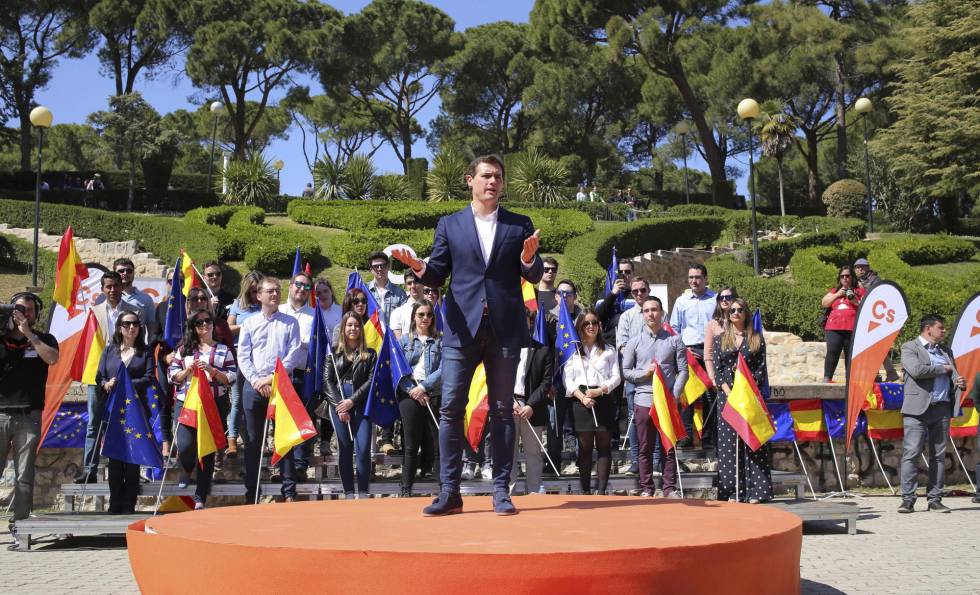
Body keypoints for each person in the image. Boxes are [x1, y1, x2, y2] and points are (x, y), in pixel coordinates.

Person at [392, 153, 543, 516]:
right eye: (487, 176)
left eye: (498, 177)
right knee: (450, 409)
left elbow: (535, 274)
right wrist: (418, 265)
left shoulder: (519, 224)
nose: (493, 182)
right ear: (470, 180)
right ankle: (450, 492)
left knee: (504, 411)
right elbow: (437, 271)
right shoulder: (450, 224)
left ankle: (502, 493)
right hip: (462, 327)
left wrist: (527, 259)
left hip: (505, 328)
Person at [237, 277, 303, 504]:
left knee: (284, 439)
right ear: (258, 295)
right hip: (254, 388)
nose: (274, 294)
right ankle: (252, 493)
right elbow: (243, 356)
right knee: (253, 442)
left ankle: (289, 492)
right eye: (270, 291)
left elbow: (292, 356)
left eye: (277, 291)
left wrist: (270, 379)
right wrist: (257, 381)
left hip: (281, 386)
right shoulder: (249, 323)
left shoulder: (290, 323)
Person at [1, 293, 59, 550]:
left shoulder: (43, 339)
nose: (25, 314)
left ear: (36, 314)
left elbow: (52, 358)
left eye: (30, 310)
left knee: (24, 475)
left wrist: (28, 335)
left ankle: (21, 528)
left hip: (29, 415)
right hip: (1, 414)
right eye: (20, 309)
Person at [168, 309, 236, 508]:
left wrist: (213, 371)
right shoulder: (184, 349)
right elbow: (172, 374)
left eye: (207, 321)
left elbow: (231, 377)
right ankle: (186, 467)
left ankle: (200, 496)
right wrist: (186, 371)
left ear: (213, 325)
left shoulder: (224, 350)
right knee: (185, 444)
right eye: (199, 323)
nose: (204, 325)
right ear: (194, 328)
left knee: (207, 449)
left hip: (214, 404)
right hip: (187, 402)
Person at [898, 314, 965, 514]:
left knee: (938, 456)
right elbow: (917, 370)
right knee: (911, 453)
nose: (943, 331)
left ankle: (935, 499)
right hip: (916, 409)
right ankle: (908, 500)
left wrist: (959, 383)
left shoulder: (946, 351)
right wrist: (942, 368)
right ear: (928, 329)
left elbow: (951, 375)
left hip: (942, 408)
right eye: (941, 328)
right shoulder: (909, 347)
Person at [622, 296, 687, 497]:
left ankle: (669, 488)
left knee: (669, 446)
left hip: (667, 402)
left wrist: (674, 395)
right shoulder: (633, 343)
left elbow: (683, 371)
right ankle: (647, 488)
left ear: (662, 313)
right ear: (642, 315)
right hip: (643, 401)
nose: (651, 313)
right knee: (644, 447)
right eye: (647, 310)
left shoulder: (675, 340)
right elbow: (626, 371)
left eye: (654, 309)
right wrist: (644, 374)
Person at [77, 272, 139, 483]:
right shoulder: (94, 312)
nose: (112, 290)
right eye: (108, 286)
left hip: (125, 373)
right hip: (99, 375)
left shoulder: (132, 313)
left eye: (116, 286)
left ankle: (130, 471)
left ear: (122, 286)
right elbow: (88, 345)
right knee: (94, 423)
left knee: (128, 422)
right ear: (102, 289)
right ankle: (89, 470)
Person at [713, 298, 772, 503]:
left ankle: (757, 491)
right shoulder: (720, 339)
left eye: (739, 310)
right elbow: (718, 369)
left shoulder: (756, 338)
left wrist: (746, 387)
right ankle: (732, 492)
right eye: (732, 311)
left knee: (753, 442)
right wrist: (728, 390)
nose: (735, 313)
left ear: (746, 313)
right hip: (727, 397)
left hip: (749, 396)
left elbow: (760, 369)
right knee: (729, 445)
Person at [95, 311, 154, 514]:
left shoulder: (145, 352)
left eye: (136, 324)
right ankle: (115, 502)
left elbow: (148, 378)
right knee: (115, 457)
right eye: (127, 324)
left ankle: (129, 503)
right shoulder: (110, 350)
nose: (132, 327)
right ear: (120, 327)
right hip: (113, 411)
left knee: (132, 458)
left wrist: (125, 383)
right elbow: (99, 377)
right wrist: (106, 384)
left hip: (135, 411)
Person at [562, 309, 621, 495]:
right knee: (585, 448)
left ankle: (602, 491)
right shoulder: (573, 350)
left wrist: (600, 390)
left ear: (599, 326)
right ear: (580, 326)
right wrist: (582, 397)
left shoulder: (609, 349)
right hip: (581, 400)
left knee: (604, 446)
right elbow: (567, 379)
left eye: (594, 322)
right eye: (586, 323)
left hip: (603, 398)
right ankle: (586, 491)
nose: (591, 326)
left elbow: (616, 377)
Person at [322, 311, 377, 498]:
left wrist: (352, 401)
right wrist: (340, 405)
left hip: (360, 403)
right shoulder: (333, 352)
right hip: (338, 403)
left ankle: (362, 490)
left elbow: (371, 381)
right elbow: (327, 381)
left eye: (356, 325)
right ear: (343, 328)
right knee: (345, 448)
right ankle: (348, 491)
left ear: (361, 329)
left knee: (363, 449)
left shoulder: (370, 354)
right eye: (349, 325)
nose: (353, 328)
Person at [397, 301, 442, 497]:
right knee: (411, 443)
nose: (425, 318)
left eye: (429, 315)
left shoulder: (440, 340)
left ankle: (444, 487)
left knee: (438, 441)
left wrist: (424, 387)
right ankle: (406, 487)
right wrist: (414, 390)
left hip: (433, 393)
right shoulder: (404, 342)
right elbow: (398, 371)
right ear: (414, 317)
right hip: (409, 394)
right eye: (421, 314)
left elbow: (444, 368)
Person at [670, 264, 718, 446]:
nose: (694, 281)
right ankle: (686, 435)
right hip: (688, 351)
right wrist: (682, 349)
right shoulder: (681, 301)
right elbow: (675, 328)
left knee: (711, 395)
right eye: (691, 277)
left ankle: (709, 437)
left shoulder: (715, 299)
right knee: (687, 395)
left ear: (705, 279)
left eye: (697, 277)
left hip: (710, 351)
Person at [510, 308, 554, 494]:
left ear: (530, 322)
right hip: (509, 407)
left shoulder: (543, 351)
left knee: (533, 453)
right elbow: (495, 377)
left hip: (532, 409)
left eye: (525, 320)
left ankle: (534, 491)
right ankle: (506, 492)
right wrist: (509, 400)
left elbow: (546, 383)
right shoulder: (502, 349)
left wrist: (530, 405)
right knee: (507, 454)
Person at [278, 272, 316, 480]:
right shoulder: (278, 311)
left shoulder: (314, 314)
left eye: (307, 287)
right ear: (291, 286)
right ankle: (283, 467)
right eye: (298, 285)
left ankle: (300, 466)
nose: (302, 289)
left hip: (303, 373)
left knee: (302, 420)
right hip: (281, 375)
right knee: (281, 421)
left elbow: (316, 345)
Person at [615, 276, 652, 473]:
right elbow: (621, 344)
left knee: (656, 415)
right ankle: (637, 459)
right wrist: (637, 367)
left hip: (655, 375)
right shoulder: (627, 316)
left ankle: (655, 459)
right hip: (634, 374)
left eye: (642, 290)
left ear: (649, 290)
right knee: (633, 416)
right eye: (635, 291)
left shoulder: (660, 314)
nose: (639, 294)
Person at [226, 271, 264, 456]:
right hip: (239, 356)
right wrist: (248, 325)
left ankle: (260, 440)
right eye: (250, 292)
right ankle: (232, 439)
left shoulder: (264, 306)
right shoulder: (237, 304)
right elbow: (228, 327)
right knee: (237, 400)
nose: (254, 296)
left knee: (259, 400)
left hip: (259, 358)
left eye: (257, 291)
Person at [820, 265, 865, 382]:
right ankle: (827, 378)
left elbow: (865, 307)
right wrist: (837, 294)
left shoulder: (859, 291)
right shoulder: (835, 290)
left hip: (852, 327)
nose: (845, 278)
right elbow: (824, 303)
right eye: (842, 276)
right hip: (833, 327)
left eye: (847, 276)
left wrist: (854, 300)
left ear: (852, 277)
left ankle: (850, 382)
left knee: (850, 355)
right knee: (832, 352)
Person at [113, 258, 157, 339]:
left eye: (129, 271)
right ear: (114, 274)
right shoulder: (106, 298)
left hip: (137, 349)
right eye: (121, 271)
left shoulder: (146, 299)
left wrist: (150, 349)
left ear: (134, 273)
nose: (125, 273)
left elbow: (152, 328)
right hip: (110, 349)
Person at [704, 286, 738, 386]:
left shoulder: (740, 321)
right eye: (721, 297)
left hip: (740, 373)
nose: (724, 300)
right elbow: (708, 354)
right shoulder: (712, 324)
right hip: (721, 374)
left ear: (734, 299)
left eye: (728, 297)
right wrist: (712, 377)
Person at [367, 251, 407, 327]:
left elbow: (404, 319)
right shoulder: (365, 291)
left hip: (392, 337)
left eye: (383, 265)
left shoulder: (400, 293)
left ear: (388, 267)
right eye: (376, 266)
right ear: (371, 269)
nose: (379, 269)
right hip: (370, 336)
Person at [390, 270, 424, 339]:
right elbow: (399, 343)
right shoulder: (397, 313)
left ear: (423, 283)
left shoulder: (433, 309)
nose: (413, 286)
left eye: (416, 281)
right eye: (409, 283)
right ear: (405, 286)